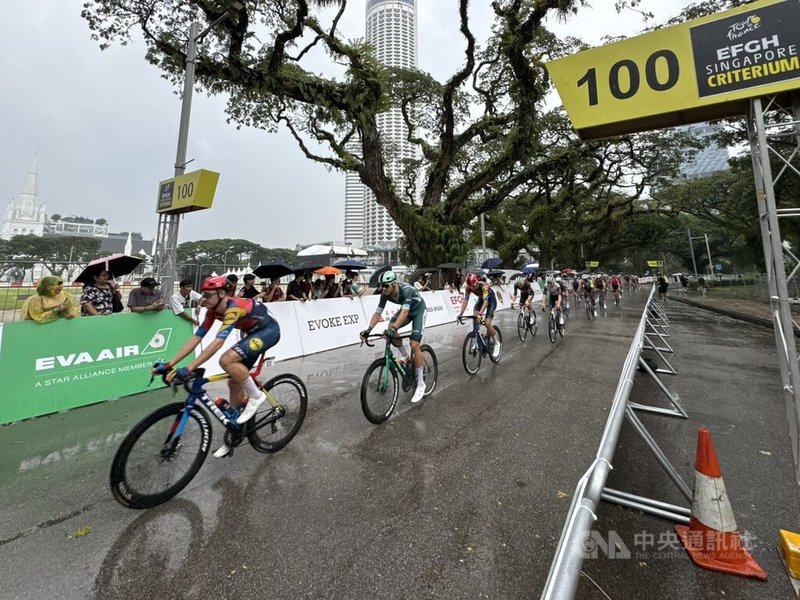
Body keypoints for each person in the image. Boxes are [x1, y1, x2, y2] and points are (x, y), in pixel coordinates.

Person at [162, 276, 280, 458]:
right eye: (203, 294)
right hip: (252, 333)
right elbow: (196, 338)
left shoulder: (233, 308)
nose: (204, 299)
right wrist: (170, 364)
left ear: (222, 293)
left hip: (268, 331)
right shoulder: (212, 311)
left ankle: (256, 396)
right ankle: (235, 430)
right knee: (234, 382)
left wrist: (190, 368)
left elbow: (218, 343)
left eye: (208, 295)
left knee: (226, 360)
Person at [360, 270, 428, 404]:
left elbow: (404, 312)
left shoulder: (406, 290)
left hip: (418, 310)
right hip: (406, 311)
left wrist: (393, 329)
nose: (383, 288)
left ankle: (421, 384)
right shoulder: (384, 294)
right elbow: (378, 314)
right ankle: (405, 356)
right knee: (391, 326)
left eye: (386, 285)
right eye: (381, 286)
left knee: (414, 344)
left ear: (394, 284)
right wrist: (368, 330)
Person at [457, 272, 501, 359]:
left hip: (490, 301)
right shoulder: (468, 287)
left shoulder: (484, 286)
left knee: (487, 323)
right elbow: (466, 300)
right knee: (475, 317)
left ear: (477, 282)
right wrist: (461, 313)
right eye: (470, 286)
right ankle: (476, 337)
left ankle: (496, 343)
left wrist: (480, 313)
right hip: (481, 300)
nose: (472, 288)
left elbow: (486, 302)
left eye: (473, 286)